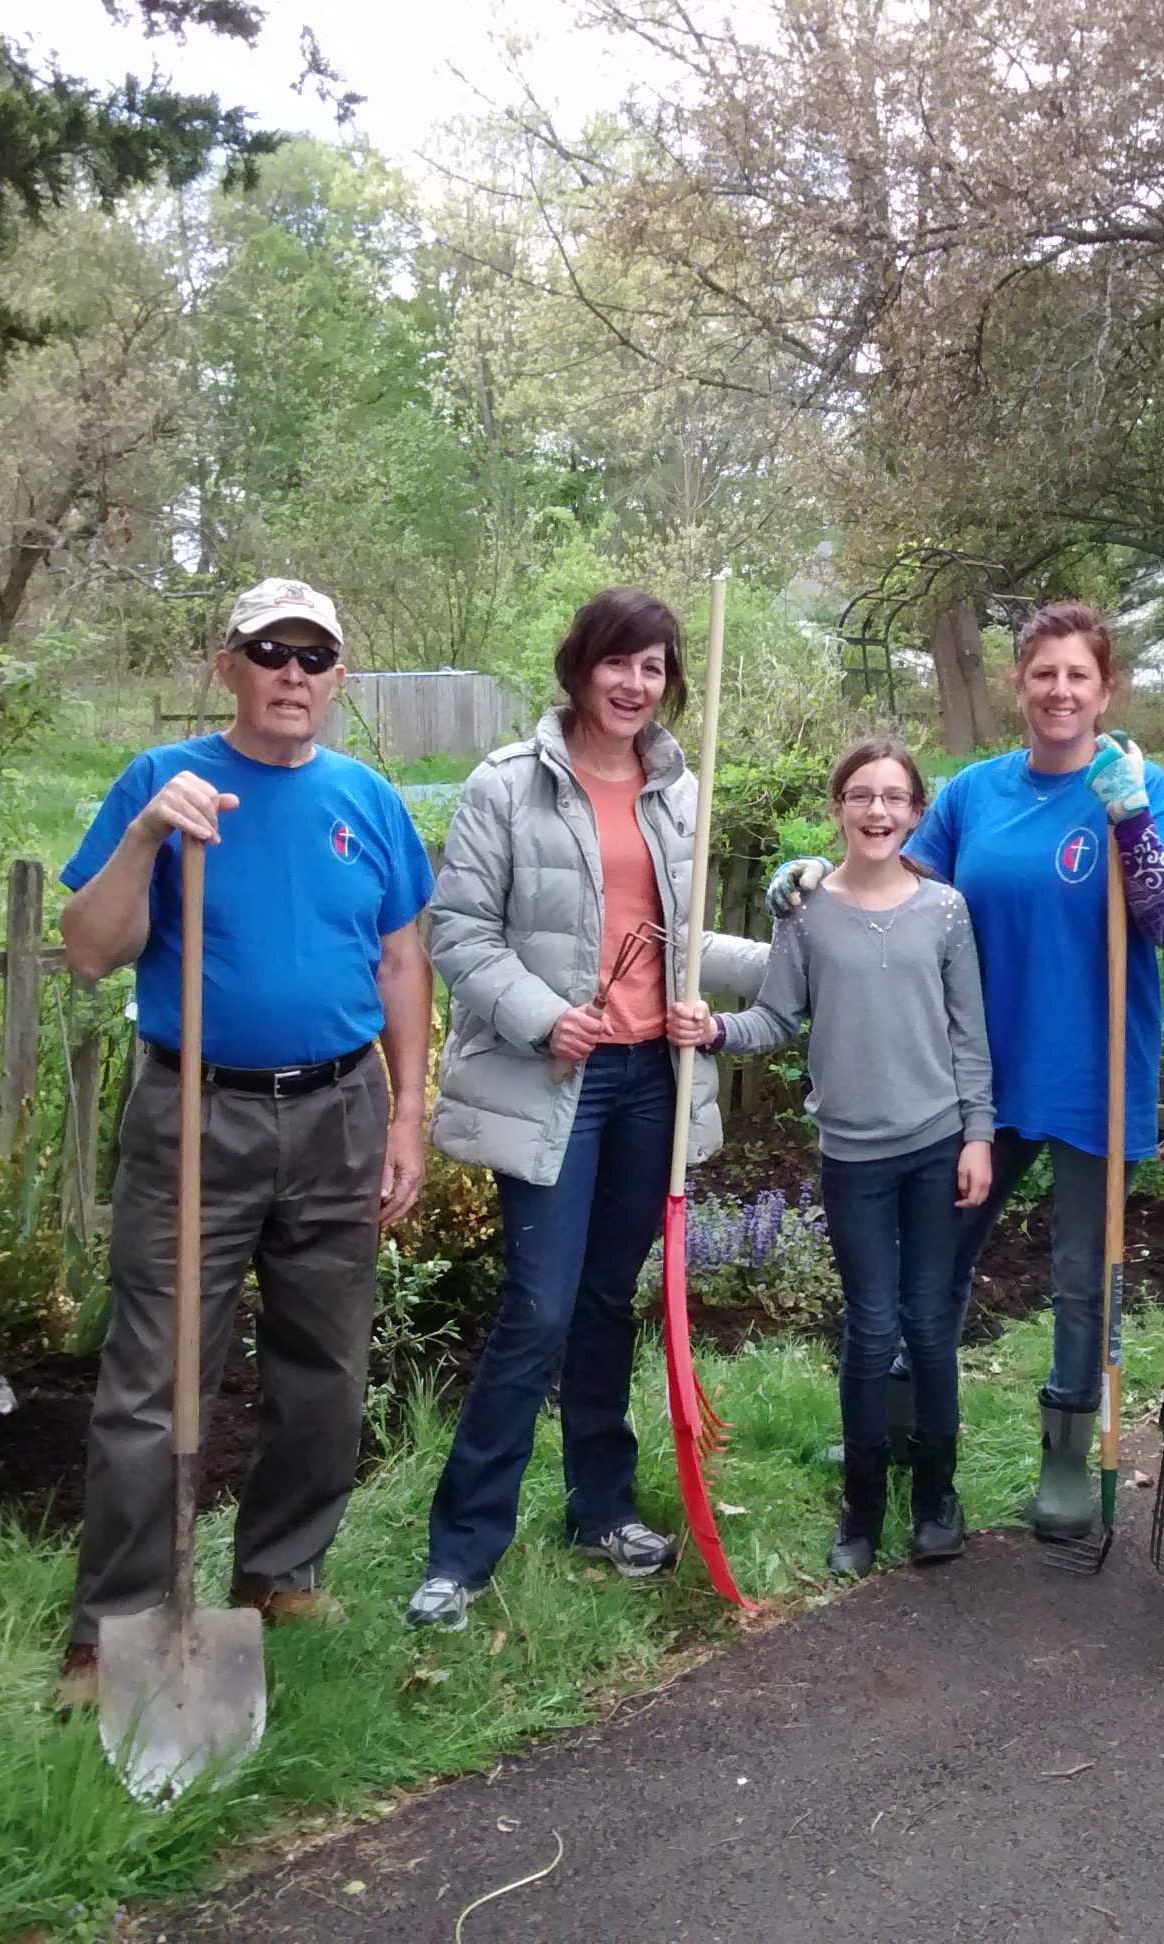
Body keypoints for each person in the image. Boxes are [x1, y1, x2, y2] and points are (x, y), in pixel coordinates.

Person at [55, 577, 434, 1708]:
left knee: (326, 1370)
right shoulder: (165, 787)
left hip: (338, 1113)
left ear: (339, 677)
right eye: (270, 652)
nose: (294, 675)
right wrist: (142, 840)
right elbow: (89, 949)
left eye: (315, 655)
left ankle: (278, 1571)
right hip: (198, 1113)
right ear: (230, 666)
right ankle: (114, 1628)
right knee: (156, 1380)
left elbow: (402, 960)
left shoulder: (367, 799)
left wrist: (408, 1112)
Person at [769, 602, 1164, 1536]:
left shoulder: (1138, 783)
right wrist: (811, 874)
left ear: (1104, 688)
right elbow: (889, 890)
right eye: (1043, 672)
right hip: (975, 1080)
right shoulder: (974, 793)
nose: (1060, 690)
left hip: (1095, 1067)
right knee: (940, 1260)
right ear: (1018, 682)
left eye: (1078, 675)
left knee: (1087, 1272)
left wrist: (1130, 823)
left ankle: (1066, 1456)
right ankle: (901, 1423)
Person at [405, 587, 767, 1632]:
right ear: (580, 666)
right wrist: (541, 1017)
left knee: (610, 1301)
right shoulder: (507, 786)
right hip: (557, 1078)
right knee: (541, 1309)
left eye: (653, 668)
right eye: (618, 662)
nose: (633, 684)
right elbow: (461, 933)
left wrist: (810, 933)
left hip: (651, 1076)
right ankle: (463, 1549)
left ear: (669, 683)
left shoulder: (676, 791)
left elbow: (693, 937)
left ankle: (601, 1508)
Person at [671, 737, 995, 1576]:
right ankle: (860, 1506)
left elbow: (969, 1036)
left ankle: (935, 1498)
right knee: (870, 1326)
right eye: (861, 796)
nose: (877, 811)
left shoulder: (947, 911)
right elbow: (776, 1020)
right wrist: (712, 1029)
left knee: (928, 1328)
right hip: (853, 1156)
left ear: (916, 813)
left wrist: (980, 1137)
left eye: (893, 797)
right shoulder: (805, 913)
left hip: (934, 1149)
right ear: (838, 808)